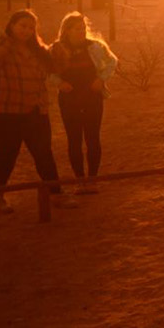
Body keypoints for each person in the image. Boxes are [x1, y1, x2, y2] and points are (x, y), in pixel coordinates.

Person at [0, 9, 76, 213]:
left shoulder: (38, 50)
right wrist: (4, 42)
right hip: (6, 111)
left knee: (44, 154)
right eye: (22, 26)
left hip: (36, 111)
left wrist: (60, 53)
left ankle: (55, 193)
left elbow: (56, 68)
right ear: (11, 25)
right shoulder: (2, 47)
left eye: (30, 27)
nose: (26, 31)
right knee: (6, 155)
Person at [50, 12, 118, 195]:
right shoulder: (57, 49)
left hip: (92, 97)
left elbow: (112, 61)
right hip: (69, 99)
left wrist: (101, 79)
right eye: (77, 29)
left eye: (83, 28)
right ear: (67, 30)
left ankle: (92, 179)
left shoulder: (95, 46)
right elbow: (46, 70)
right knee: (74, 140)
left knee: (92, 138)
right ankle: (80, 179)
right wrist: (59, 83)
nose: (82, 31)